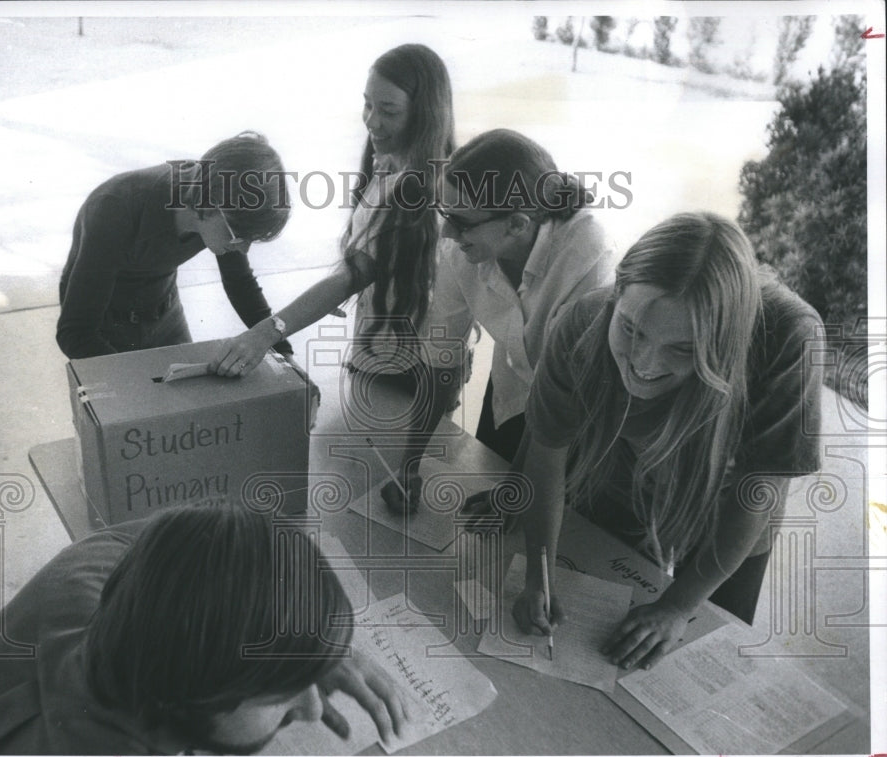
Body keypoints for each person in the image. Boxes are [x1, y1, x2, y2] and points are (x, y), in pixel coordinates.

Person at [501, 212, 824, 669]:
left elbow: (757, 494)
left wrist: (678, 606)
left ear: (725, 342)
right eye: (631, 329)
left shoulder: (792, 337)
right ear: (616, 295)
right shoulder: (580, 322)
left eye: (683, 349)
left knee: (706, 655)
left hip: (733, 500)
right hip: (619, 466)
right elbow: (547, 453)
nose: (643, 364)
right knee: (603, 590)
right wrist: (539, 576)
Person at [0, 502, 408, 755]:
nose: (311, 708)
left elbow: (198, 540)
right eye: (278, 696)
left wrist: (303, 643)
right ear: (184, 697)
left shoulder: (85, 580)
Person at [379, 129, 616, 513]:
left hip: (578, 417)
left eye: (461, 221)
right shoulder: (461, 248)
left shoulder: (589, 256)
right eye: (444, 213)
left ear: (518, 224)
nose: (447, 232)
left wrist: (516, 492)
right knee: (488, 503)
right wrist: (407, 464)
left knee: (557, 528)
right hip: (510, 392)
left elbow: (558, 397)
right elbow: (441, 361)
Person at [207, 43, 454, 379]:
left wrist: (267, 332)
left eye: (389, 111)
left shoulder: (419, 188)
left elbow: (352, 275)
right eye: (367, 104)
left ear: (424, 114)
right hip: (380, 350)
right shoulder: (388, 165)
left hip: (412, 366)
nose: (372, 120)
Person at [56, 131, 294, 360]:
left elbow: (240, 283)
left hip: (166, 313)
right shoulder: (114, 207)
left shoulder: (220, 207)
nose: (243, 249)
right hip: (104, 325)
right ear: (209, 203)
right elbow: (76, 333)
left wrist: (283, 352)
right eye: (240, 236)